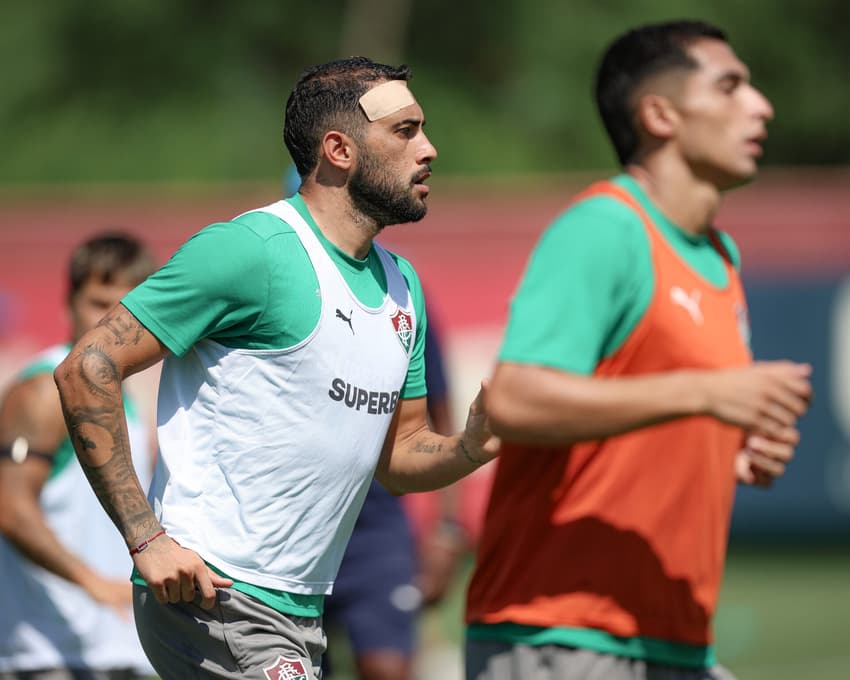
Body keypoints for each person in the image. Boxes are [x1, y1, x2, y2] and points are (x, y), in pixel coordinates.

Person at [53, 57, 499, 680]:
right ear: (339, 149)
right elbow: (86, 367)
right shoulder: (249, 251)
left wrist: (473, 445)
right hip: (215, 593)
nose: (429, 148)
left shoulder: (404, 288)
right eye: (405, 130)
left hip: (300, 603)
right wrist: (147, 539)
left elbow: (399, 459)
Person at [465, 20, 812, 680]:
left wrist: (731, 449)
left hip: (672, 642)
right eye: (731, 86)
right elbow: (514, 398)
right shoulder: (604, 228)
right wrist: (710, 394)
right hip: (563, 634)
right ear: (659, 114)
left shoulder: (721, 256)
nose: (761, 105)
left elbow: (643, 404)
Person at [0, 232, 157, 679]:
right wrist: (95, 584)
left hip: (115, 648)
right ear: (67, 302)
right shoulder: (45, 390)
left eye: (123, 309)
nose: (107, 321)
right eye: (97, 302)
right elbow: (10, 509)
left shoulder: (127, 398)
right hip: (51, 652)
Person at [322, 313, 468, 680]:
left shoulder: (399, 295)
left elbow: (442, 421)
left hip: (377, 534)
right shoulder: (282, 284)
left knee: (386, 669)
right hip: (295, 529)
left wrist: (447, 528)